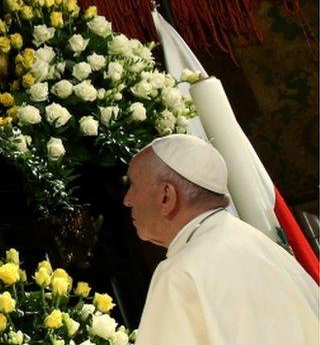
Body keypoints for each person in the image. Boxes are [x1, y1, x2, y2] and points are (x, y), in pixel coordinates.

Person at [124, 134, 319, 345]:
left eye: (133, 186)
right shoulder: (268, 250)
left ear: (166, 196)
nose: (127, 200)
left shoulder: (182, 272)